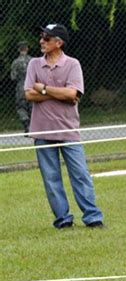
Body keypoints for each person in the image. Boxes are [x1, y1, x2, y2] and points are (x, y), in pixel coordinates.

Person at [24, 23, 104, 229]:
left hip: (68, 130)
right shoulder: (33, 64)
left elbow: (73, 95)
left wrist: (43, 89)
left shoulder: (73, 64)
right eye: (41, 37)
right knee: (51, 178)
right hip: (42, 130)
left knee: (80, 174)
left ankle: (93, 217)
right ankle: (63, 220)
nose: (41, 41)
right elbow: (28, 94)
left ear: (59, 43)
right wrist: (55, 92)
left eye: (47, 38)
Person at [11, 41, 32, 133]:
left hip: (21, 86)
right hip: (32, 86)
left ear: (18, 50)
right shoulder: (32, 61)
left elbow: (13, 77)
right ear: (27, 49)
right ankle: (34, 125)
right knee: (32, 106)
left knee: (21, 107)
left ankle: (26, 125)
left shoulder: (15, 62)